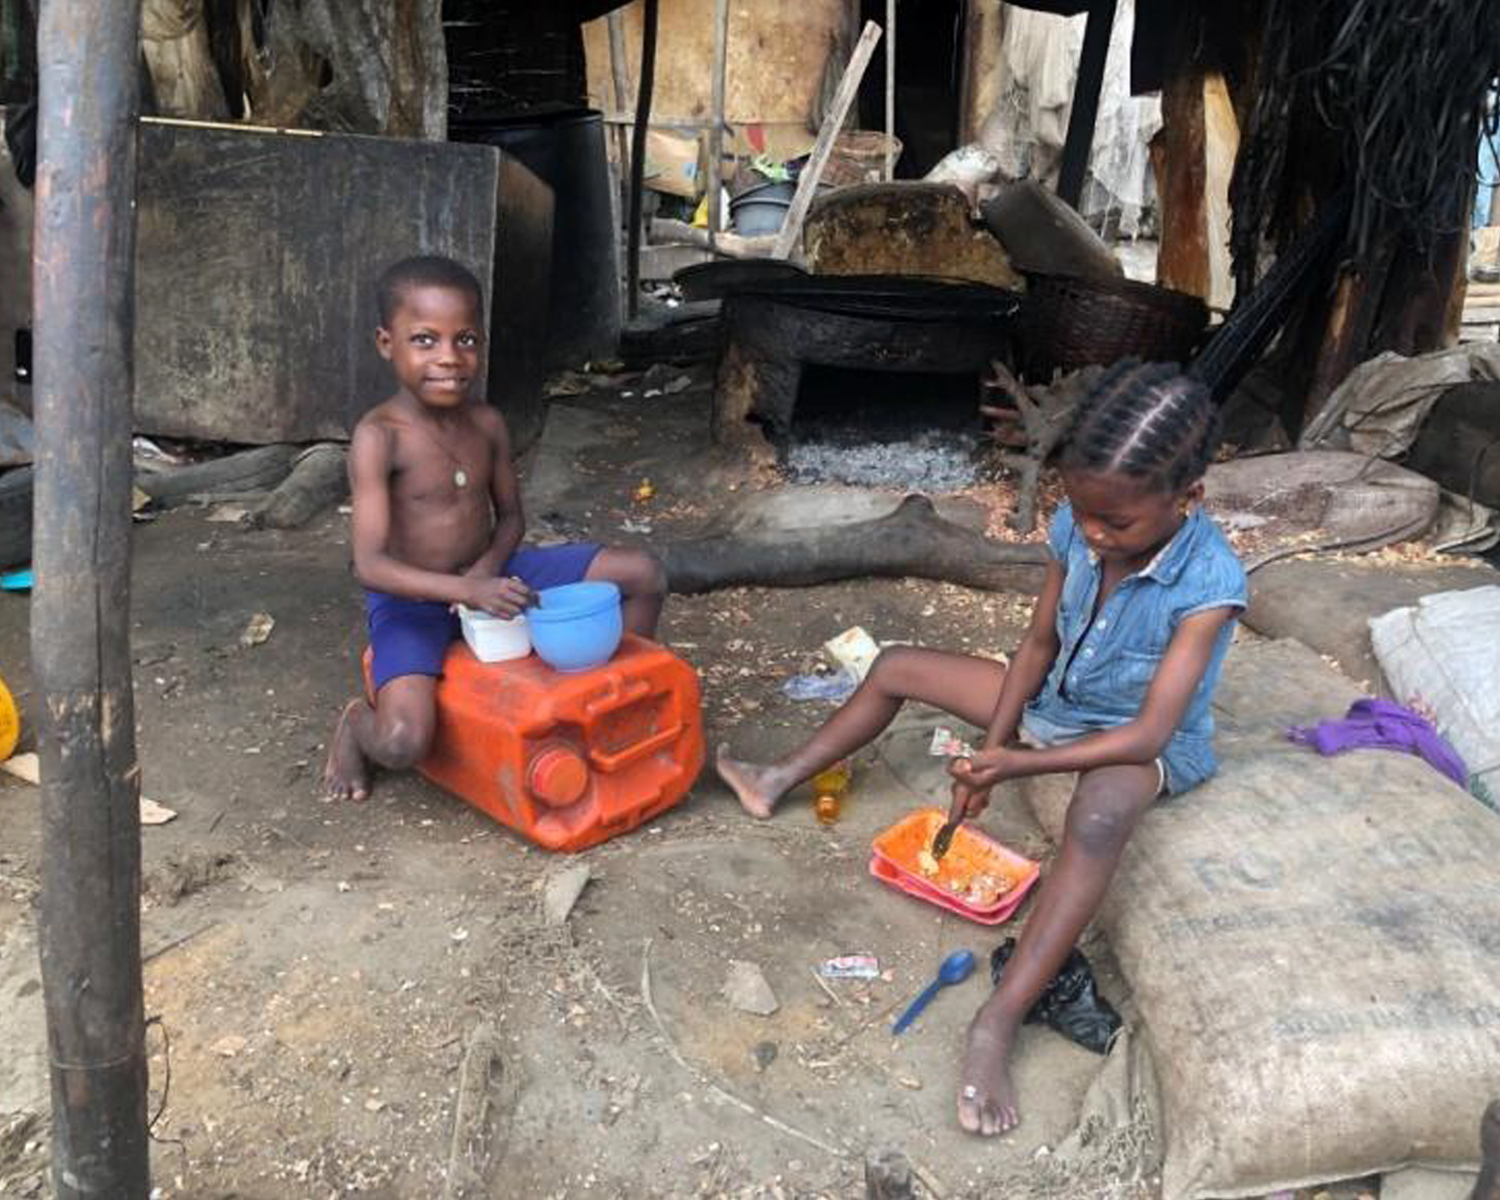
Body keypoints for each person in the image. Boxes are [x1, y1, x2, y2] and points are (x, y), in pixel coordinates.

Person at [716, 361, 1247, 1136]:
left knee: (1100, 816)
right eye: (1082, 514)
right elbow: (1037, 646)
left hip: (1134, 738)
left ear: (1188, 498)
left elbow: (1150, 735)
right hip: (1053, 705)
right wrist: (991, 751)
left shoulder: (1210, 582)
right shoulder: (1078, 528)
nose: (1094, 536)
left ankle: (998, 1019)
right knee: (894, 664)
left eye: (1118, 524)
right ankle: (777, 777)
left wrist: (1019, 763)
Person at [324, 255, 666, 802]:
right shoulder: (378, 437)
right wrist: (465, 590)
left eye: (465, 340)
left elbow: (510, 518)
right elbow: (370, 566)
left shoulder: (486, 422)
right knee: (403, 742)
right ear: (386, 343)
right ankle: (354, 726)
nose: (448, 357)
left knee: (642, 574)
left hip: (494, 573)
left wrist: (485, 573)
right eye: (424, 340)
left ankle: (605, 703)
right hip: (413, 600)